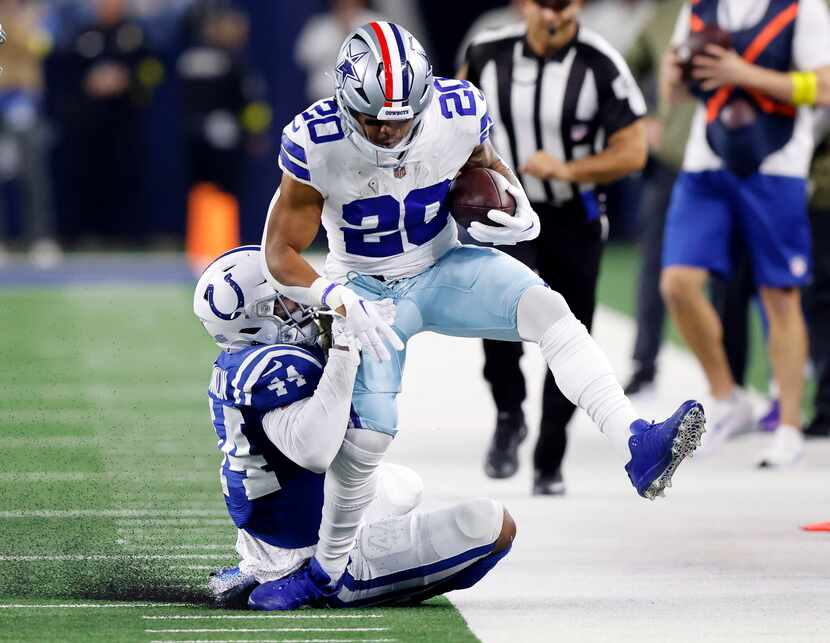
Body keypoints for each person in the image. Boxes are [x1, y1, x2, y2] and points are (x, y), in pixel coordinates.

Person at [259, 20, 705, 609]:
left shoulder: (456, 110)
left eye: (403, 118)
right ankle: (325, 571)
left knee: (549, 309)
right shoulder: (315, 140)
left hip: (443, 265)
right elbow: (279, 253)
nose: (391, 132)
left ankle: (637, 441)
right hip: (366, 290)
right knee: (369, 436)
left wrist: (516, 205)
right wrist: (335, 297)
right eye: (375, 120)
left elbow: (487, 168)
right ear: (345, 103)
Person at [194, 245, 515, 610]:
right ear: (253, 321)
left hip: (272, 526)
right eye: (285, 302)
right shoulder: (275, 366)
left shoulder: (238, 359)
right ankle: (319, 580)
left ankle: (260, 565)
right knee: (494, 525)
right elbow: (314, 450)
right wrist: (344, 350)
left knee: (404, 486)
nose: (301, 306)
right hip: (303, 544)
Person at [459, 0, 650, 495]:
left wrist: (568, 170)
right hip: (506, 212)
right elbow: (449, 122)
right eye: (544, 5)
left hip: (573, 215)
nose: (553, 16)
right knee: (497, 315)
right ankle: (508, 414)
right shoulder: (486, 53)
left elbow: (633, 150)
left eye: (563, 5)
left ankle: (550, 455)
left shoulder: (600, 61)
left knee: (570, 333)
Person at [659, 0, 830, 466]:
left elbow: (825, 86)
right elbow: (671, 85)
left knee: (780, 293)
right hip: (706, 159)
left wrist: (743, 74)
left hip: (776, 163)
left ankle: (790, 424)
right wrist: (676, 72)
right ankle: (727, 396)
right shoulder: (699, 6)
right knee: (677, 284)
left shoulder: (801, 8)